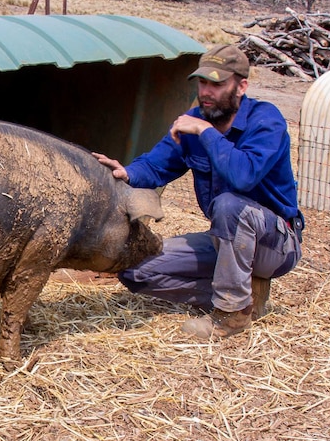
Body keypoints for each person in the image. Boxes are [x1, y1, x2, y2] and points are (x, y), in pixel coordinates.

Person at [93, 44, 303, 339]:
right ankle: (246, 300)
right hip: (225, 239)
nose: (206, 91)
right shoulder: (194, 120)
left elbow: (243, 176)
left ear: (241, 86)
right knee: (136, 269)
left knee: (229, 205)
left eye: (217, 84)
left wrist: (205, 132)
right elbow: (157, 165)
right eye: (202, 82)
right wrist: (126, 172)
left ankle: (230, 316)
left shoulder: (266, 121)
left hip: (276, 244)